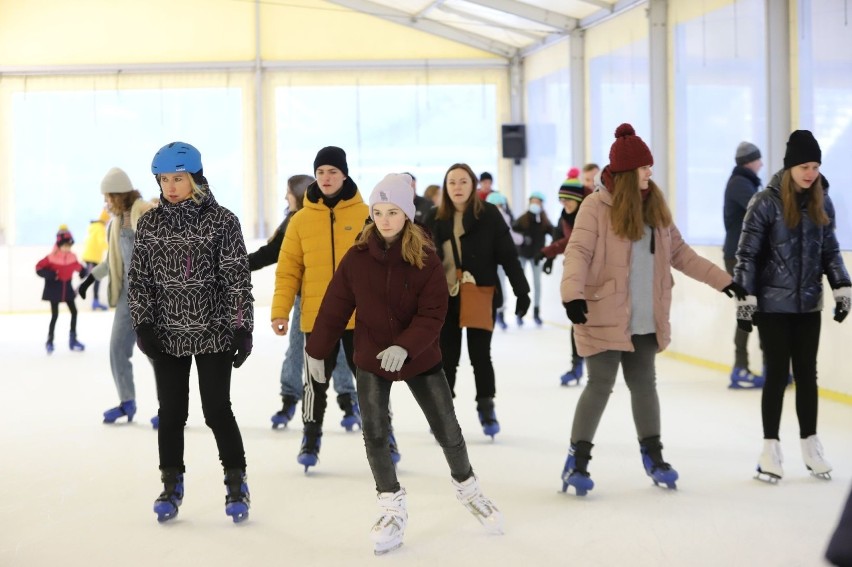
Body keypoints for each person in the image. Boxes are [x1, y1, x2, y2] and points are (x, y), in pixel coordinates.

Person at [306, 173, 503, 555]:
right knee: (375, 433)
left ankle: (469, 489)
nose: (383, 219)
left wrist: (407, 346)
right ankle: (391, 505)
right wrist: (317, 350)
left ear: (407, 214)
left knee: (447, 427)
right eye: (377, 212)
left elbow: (434, 313)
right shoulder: (358, 256)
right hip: (372, 355)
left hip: (420, 356)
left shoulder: (424, 256)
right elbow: (334, 307)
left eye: (392, 212)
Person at [560, 124, 745, 496]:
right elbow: (577, 252)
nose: (650, 173)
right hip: (604, 313)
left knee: (645, 385)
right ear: (628, 173)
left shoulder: (656, 207)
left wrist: (724, 280)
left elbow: (681, 255)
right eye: (645, 168)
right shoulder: (596, 207)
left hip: (645, 317)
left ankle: (655, 456)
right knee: (599, 385)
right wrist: (572, 295)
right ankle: (576, 462)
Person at [128, 141, 253, 523]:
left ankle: (236, 481)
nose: (170, 186)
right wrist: (143, 322)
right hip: (166, 334)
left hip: (213, 331)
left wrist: (241, 327)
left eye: (178, 179)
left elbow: (236, 278)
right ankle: (171, 482)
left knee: (217, 410)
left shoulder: (222, 221)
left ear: (195, 179)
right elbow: (139, 280)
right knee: (171, 413)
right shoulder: (150, 223)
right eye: (164, 179)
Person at [271, 146, 399, 471]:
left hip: (362, 318)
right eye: (320, 172)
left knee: (371, 382)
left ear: (344, 174)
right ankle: (310, 440)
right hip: (318, 317)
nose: (326, 178)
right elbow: (288, 270)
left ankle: (386, 438)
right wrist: (280, 311)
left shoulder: (366, 216)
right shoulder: (300, 220)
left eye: (332, 172)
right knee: (314, 383)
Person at [733, 130, 850, 483]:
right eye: (804, 166)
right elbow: (747, 255)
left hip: (807, 305)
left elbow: (829, 250)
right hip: (772, 306)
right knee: (776, 376)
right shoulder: (764, 202)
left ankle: (811, 445)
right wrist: (745, 302)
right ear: (789, 167)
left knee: (807, 376)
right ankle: (770, 449)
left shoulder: (821, 202)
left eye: (815, 166)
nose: (810, 173)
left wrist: (842, 288)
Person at [424, 163, 530, 439]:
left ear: (472, 186)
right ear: (445, 188)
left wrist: (522, 290)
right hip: (445, 299)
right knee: (447, 358)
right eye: (452, 183)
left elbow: (508, 255)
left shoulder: (489, 215)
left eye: (463, 182)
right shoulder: (435, 217)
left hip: (480, 293)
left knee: (480, 355)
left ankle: (486, 406)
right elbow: (420, 262)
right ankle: (442, 416)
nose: (457, 187)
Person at [248, 174, 359, 430]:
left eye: (288, 192)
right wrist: (238, 265)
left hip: (339, 302)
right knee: (298, 350)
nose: (285, 197)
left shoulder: (324, 219)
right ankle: (289, 399)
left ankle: (348, 401)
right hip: (305, 301)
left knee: (342, 353)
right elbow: (272, 253)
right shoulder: (294, 222)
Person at [78, 167, 156, 425]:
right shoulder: (114, 224)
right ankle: (127, 402)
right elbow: (113, 261)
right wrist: (90, 278)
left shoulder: (142, 211)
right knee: (117, 350)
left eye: (108, 197)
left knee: (156, 353)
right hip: (127, 296)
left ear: (120, 195)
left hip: (152, 296)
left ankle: (170, 407)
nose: (106, 202)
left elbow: (158, 219)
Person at [536, 168, 587, 385]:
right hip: (575, 271)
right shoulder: (565, 216)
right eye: (561, 199)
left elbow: (573, 240)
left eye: (568, 199)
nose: (564, 203)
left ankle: (602, 365)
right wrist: (549, 258)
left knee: (592, 321)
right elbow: (561, 235)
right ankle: (576, 366)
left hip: (594, 274)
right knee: (576, 319)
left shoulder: (589, 216)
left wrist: (547, 251)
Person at [723, 141, 766, 389]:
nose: (761, 163)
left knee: (754, 309)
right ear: (750, 161)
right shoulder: (741, 184)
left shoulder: (746, 182)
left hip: (743, 255)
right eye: (758, 159)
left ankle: (764, 366)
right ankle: (741, 367)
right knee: (750, 309)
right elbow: (760, 211)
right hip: (739, 257)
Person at [35, 225, 86, 354]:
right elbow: (38, 268)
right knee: (55, 315)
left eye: (69, 246)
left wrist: (83, 271)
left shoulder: (72, 256)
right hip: (54, 289)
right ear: (59, 244)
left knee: (74, 312)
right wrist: (50, 275)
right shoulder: (51, 257)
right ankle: (50, 341)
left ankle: (73, 339)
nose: (67, 248)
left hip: (67, 288)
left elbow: (78, 267)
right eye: (64, 245)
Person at [513, 191, 553, 327]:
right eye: (533, 201)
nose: (535, 204)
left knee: (537, 285)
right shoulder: (523, 218)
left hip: (536, 256)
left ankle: (536, 312)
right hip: (522, 255)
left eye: (538, 202)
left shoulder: (544, 220)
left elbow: (554, 233)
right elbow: (512, 231)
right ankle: (520, 312)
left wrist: (548, 252)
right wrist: (523, 239)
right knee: (521, 284)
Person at [485, 191, 523, 330]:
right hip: (494, 257)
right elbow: (510, 236)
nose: (499, 207)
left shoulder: (495, 216)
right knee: (497, 286)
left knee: (497, 286)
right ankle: (497, 313)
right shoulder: (500, 216)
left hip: (494, 258)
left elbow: (508, 235)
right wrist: (522, 239)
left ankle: (498, 313)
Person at [80, 208, 109, 311]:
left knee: (95, 278)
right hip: (93, 257)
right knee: (93, 277)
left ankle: (95, 301)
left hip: (91, 256)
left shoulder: (94, 226)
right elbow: (101, 242)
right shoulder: (100, 227)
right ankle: (93, 301)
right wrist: (112, 248)